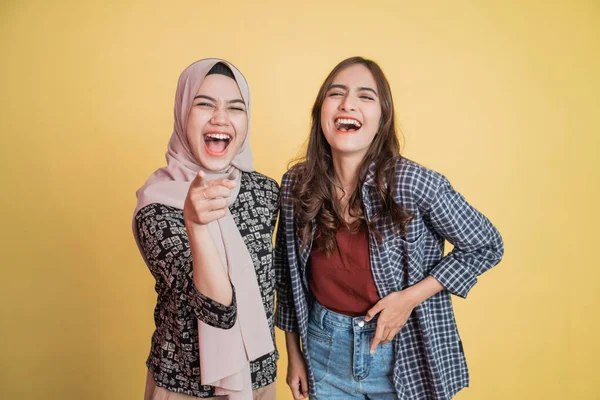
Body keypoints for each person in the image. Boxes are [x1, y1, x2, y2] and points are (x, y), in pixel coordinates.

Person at [275, 56, 504, 400]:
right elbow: (286, 278)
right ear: (320, 110)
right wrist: (295, 356)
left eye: (365, 96)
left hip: (403, 354)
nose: (348, 103)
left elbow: (486, 243)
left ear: (382, 118)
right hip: (323, 353)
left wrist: (409, 299)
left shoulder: (413, 183)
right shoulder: (296, 183)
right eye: (336, 94)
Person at [133, 59, 279, 400]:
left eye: (235, 107)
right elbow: (216, 310)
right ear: (183, 112)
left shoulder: (265, 192)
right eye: (204, 104)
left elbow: (278, 283)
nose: (220, 118)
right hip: (184, 387)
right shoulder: (156, 207)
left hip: (259, 381)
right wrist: (196, 225)